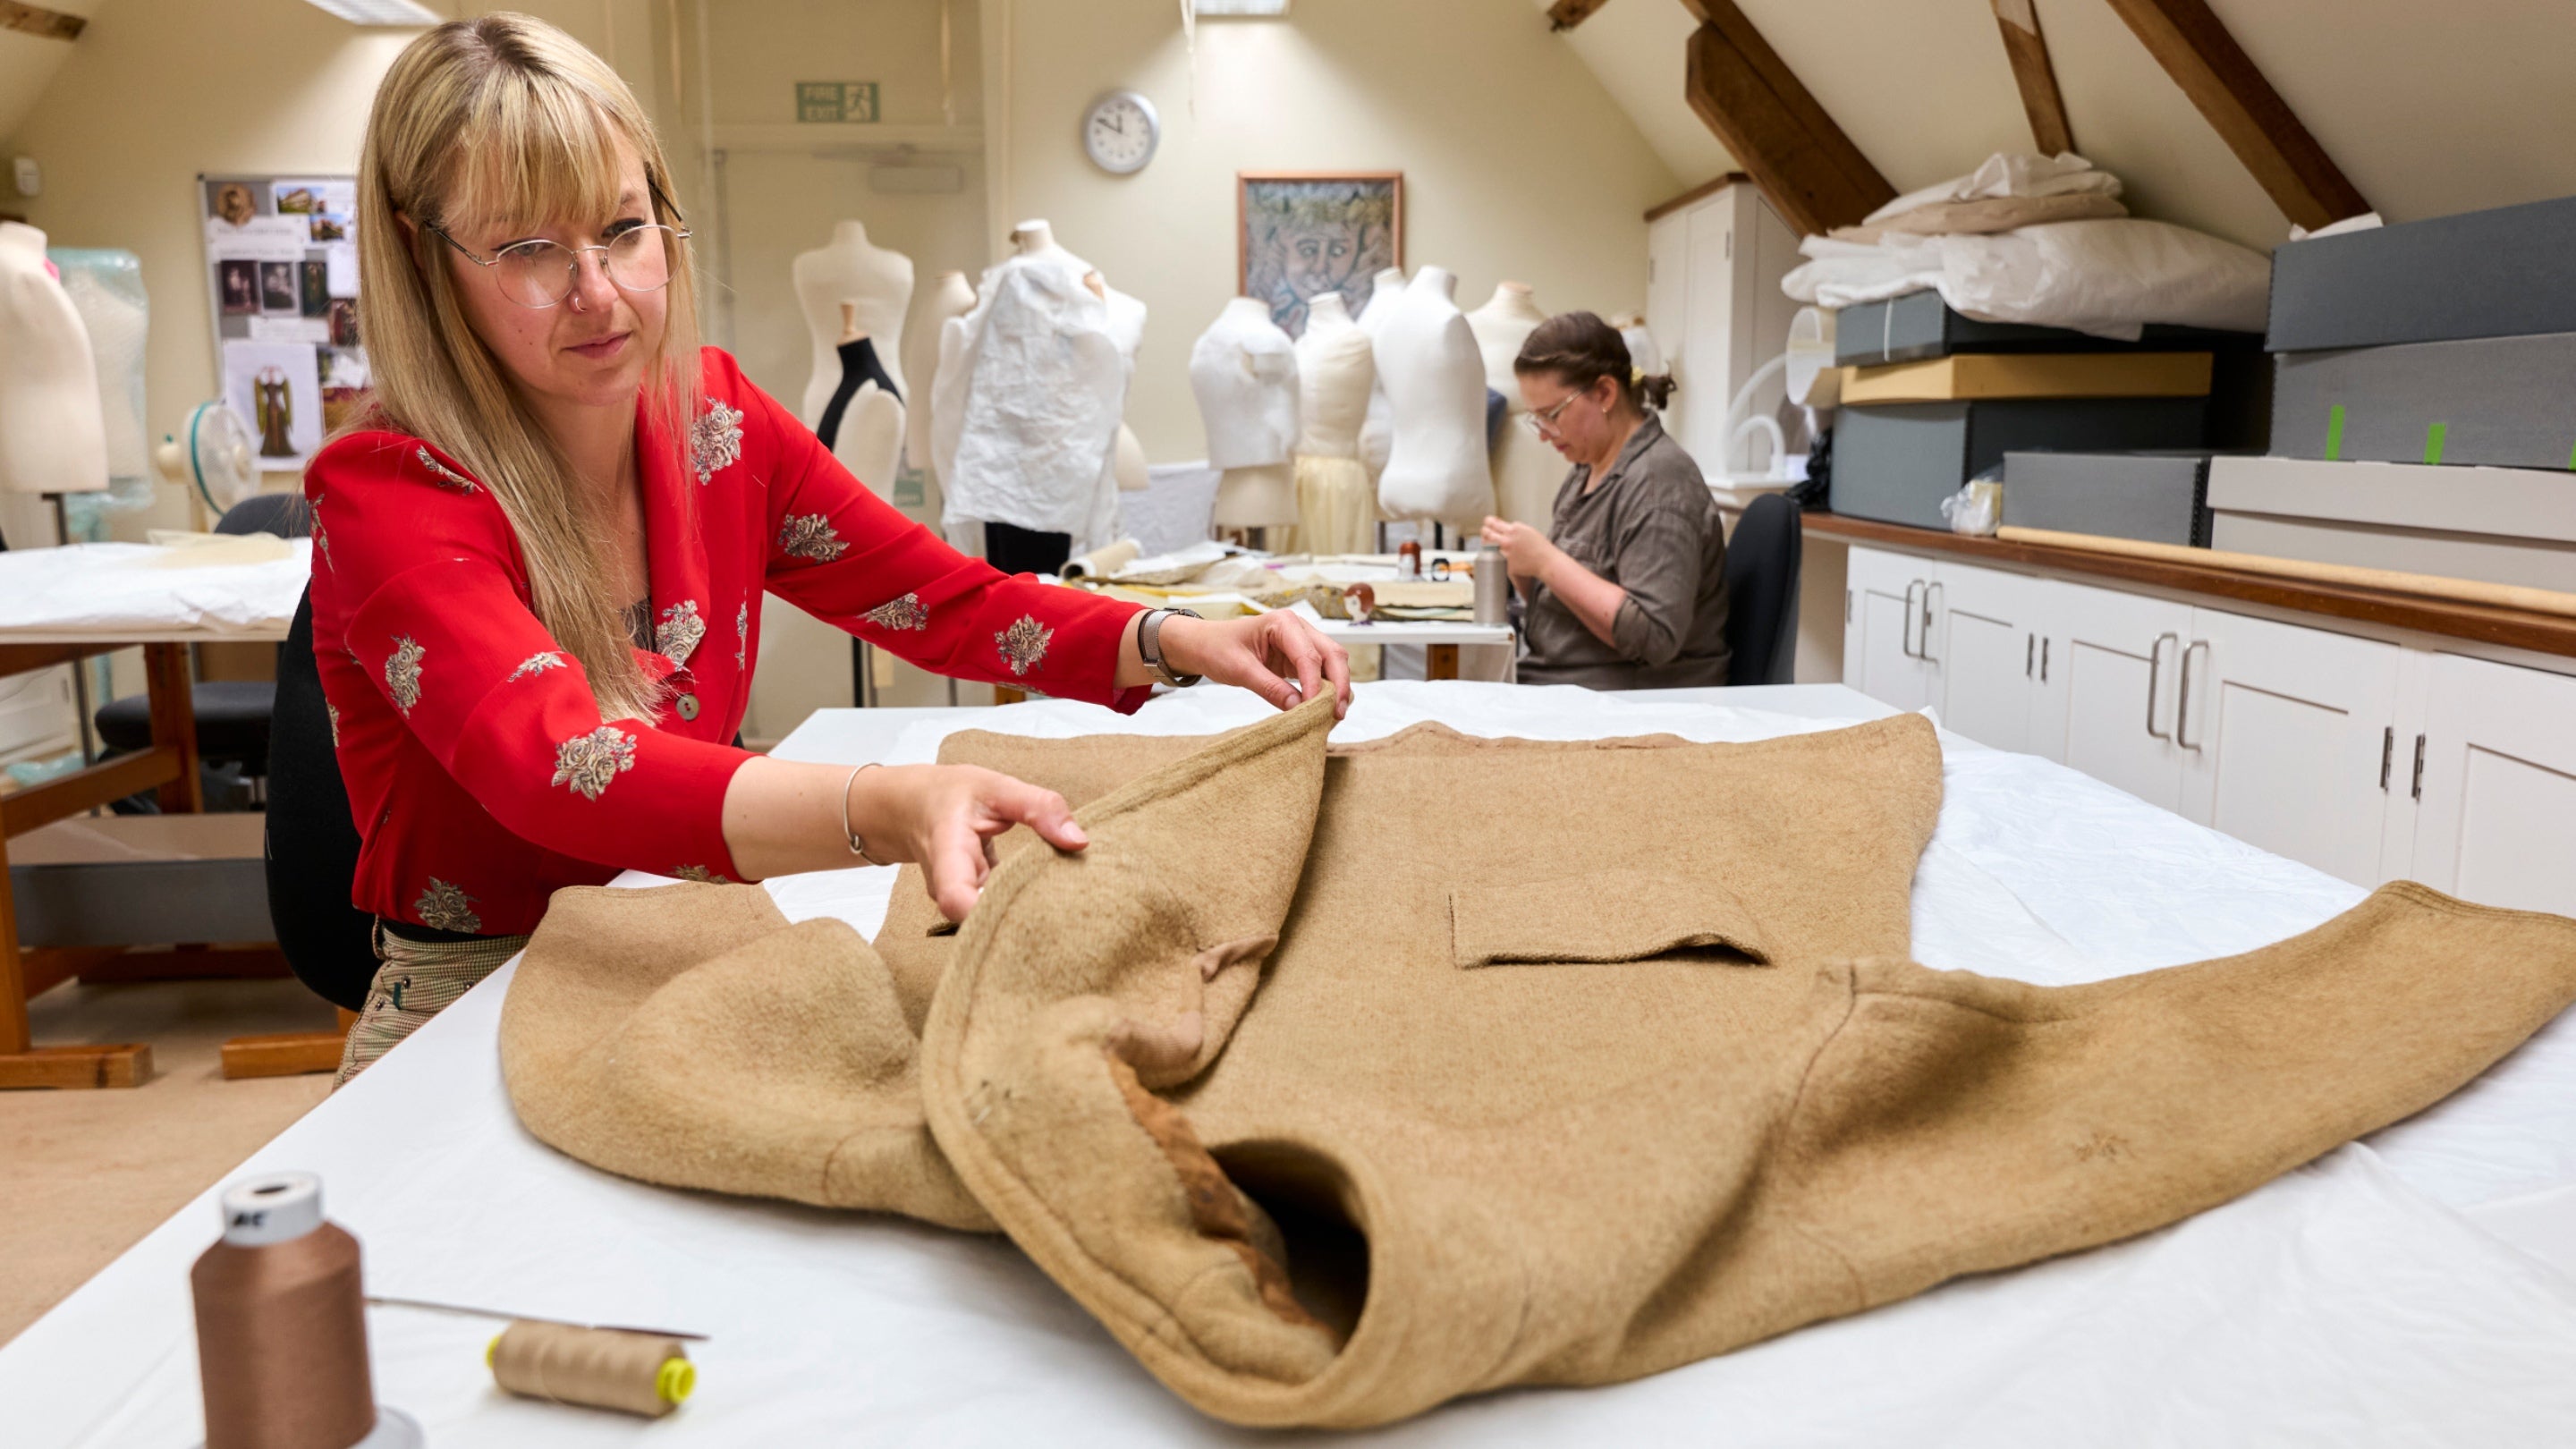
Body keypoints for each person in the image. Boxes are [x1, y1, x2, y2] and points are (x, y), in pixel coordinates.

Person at [306, 14, 1349, 1080]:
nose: (603, 291)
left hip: (687, 945)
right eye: (529, 250)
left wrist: (1175, 636)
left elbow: (944, 601)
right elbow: (563, 767)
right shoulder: (389, 490)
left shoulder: (715, 421)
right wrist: (884, 805)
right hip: (480, 990)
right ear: (419, 254)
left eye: (623, 230)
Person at [1478, 311, 1729, 689]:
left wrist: (1547, 563)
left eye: (1552, 415)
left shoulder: (1658, 485)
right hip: (1567, 683)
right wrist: (1524, 569)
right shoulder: (1588, 468)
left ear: (1605, 393)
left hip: (1628, 703)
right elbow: (1575, 608)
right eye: (1537, 419)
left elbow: (1654, 636)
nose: (1545, 434)